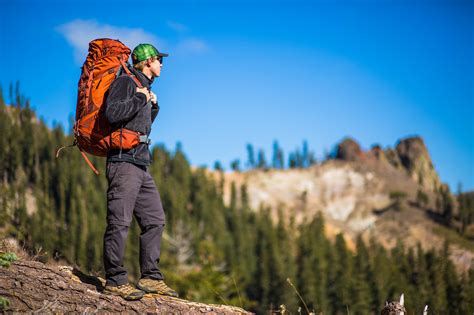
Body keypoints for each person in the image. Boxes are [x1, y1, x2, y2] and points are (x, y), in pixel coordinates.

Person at [102, 43, 178, 301]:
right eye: (159, 60)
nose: (162, 65)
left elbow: (136, 124)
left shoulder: (144, 87)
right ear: (148, 62)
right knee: (119, 222)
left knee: (155, 219)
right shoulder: (126, 82)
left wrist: (152, 105)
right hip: (123, 163)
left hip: (141, 163)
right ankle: (115, 279)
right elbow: (113, 114)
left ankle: (150, 277)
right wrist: (140, 98)